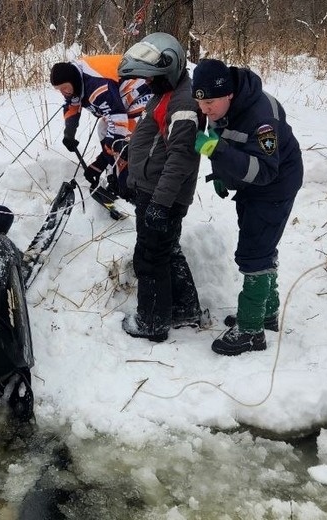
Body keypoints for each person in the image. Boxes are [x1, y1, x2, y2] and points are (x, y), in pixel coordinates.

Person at [191, 58, 303, 356]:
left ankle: (251, 331)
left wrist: (218, 152)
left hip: (275, 186)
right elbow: (225, 141)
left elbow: (265, 171)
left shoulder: (262, 118)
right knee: (261, 246)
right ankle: (265, 313)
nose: (205, 110)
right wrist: (221, 173)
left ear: (229, 93)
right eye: (200, 103)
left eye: (210, 102)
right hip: (251, 186)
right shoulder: (221, 106)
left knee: (255, 253)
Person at [116, 32, 208, 343]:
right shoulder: (165, 91)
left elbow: (181, 158)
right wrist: (131, 167)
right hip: (154, 189)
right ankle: (184, 308)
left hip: (162, 195)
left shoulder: (183, 103)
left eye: (151, 76)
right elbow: (152, 138)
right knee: (167, 250)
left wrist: (160, 203)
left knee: (150, 256)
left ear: (170, 69)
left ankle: (152, 322)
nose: (146, 82)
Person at [50, 55, 152, 199]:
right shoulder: (74, 76)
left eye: (64, 88)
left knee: (124, 141)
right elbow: (72, 103)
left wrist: (100, 163)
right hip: (120, 95)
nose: (63, 93)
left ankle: (130, 190)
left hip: (142, 90)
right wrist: (69, 132)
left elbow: (118, 125)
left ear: (72, 81)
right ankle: (114, 177)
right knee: (103, 128)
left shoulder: (97, 87)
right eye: (59, 90)